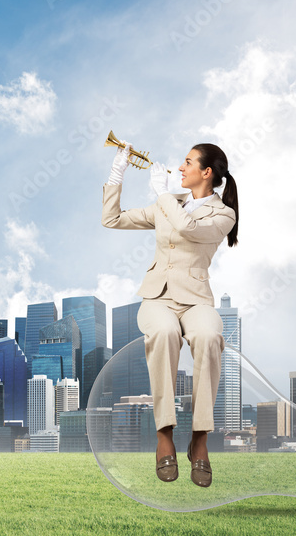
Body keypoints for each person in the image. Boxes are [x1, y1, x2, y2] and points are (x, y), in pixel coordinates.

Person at [101, 141, 239, 488]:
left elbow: (189, 229)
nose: (180, 168)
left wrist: (162, 195)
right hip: (158, 297)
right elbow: (112, 219)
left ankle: (200, 439)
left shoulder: (223, 215)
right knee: (163, 334)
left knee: (208, 337)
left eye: (188, 162)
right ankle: (164, 434)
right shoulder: (169, 203)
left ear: (206, 173)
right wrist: (117, 171)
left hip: (195, 300)